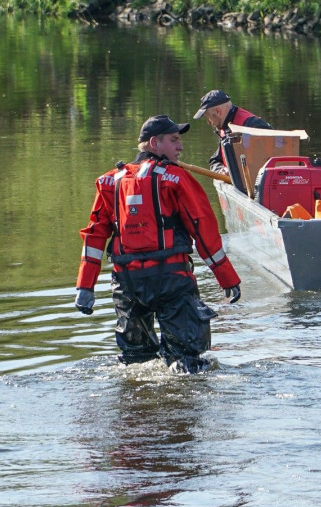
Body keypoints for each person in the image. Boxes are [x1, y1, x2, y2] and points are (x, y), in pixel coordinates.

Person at [73, 114, 243, 374]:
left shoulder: (109, 181)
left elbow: (95, 236)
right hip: (172, 280)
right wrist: (227, 278)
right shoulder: (176, 178)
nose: (180, 147)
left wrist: (85, 286)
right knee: (187, 363)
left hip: (127, 284)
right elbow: (203, 230)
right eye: (174, 140)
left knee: (136, 363)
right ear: (155, 143)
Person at [192, 89, 273, 175]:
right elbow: (215, 160)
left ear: (218, 111)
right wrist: (220, 170)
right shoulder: (225, 128)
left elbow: (271, 161)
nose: (208, 122)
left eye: (208, 116)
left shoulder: (254, 126)